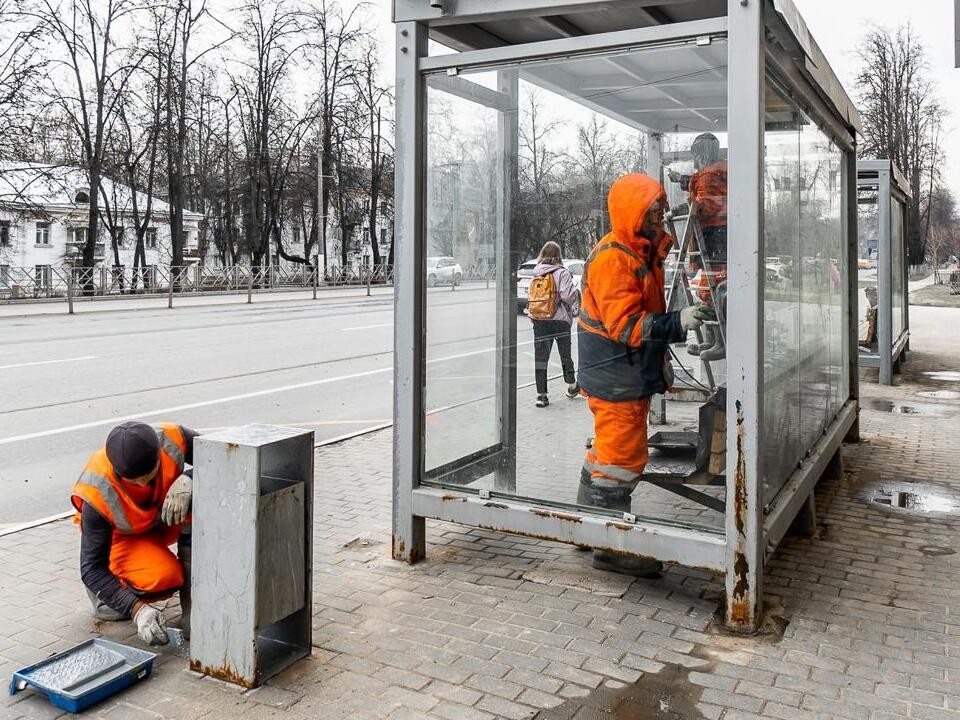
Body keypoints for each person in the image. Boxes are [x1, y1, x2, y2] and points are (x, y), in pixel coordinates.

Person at [576, 173, 708, 576]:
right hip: (616, 377)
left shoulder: (636, 252)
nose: (662, 215)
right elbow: (628, 327)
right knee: (621, 459)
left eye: (663, 208)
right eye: (655, 209)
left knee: (605, 453)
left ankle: (587, 528)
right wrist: (678, 323)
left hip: (620, 373)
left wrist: (661, 362)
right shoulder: (615, 259)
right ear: (635, 211)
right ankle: (612, 547)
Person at [71, 421, 197, 646]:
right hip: (122, 536)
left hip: (160, 517)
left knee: (203, 500)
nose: (142, 483)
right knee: (165, 578)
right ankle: (106, 598)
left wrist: (190, 478)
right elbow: (91, 568)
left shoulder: (172, 440)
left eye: (149, 475)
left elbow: (222, 460)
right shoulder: (97, 488)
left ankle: (194, 608)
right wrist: (137, 610)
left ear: (158, 456)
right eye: (134, 481)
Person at [670, 133, 728, 361]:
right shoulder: (714, 173)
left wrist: (686, 209)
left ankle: (720, 341)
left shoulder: (711, 174)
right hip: (716, 235)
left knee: (715, 290)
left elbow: (707, 203)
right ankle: (715, 339)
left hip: (714, 236)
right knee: (711, 289)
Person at [527, 241, 580, 407]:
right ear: (559, 255)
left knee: (541, 357)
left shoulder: (536, 273)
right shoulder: (562, 273)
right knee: (565, 354)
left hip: (540, 319)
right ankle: (572, 386)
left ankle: (541, 395)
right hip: (559, 319)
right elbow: (568, 296)